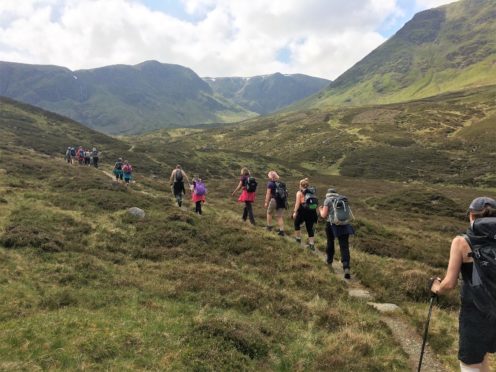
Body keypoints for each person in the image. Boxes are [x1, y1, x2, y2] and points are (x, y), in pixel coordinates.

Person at [431, 197, 496, 371]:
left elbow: (449, 284)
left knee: (471, 361)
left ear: (471, 216)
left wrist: (437, 288)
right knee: (482, 358)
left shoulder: (462, 242)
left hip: (475, 312)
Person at [319, 188, 355, 279]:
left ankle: (329, 261)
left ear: (328, 194)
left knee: (330, 242)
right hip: (344, 225)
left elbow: (323, 215)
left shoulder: (327, 200)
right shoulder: (342, 199)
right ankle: (346, 267)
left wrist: (320, 209)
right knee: (344, 246)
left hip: (331, 224)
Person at [292, 178, 318, 250]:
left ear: (300, 185)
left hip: (302, 211)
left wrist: (295, 212)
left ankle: (298, 239)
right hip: (312, 211)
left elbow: (297, 204)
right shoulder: (312, 192)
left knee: (296, 223)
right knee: (310, 228)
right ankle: (311, 245)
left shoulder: (299, 193)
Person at [264, 170, 286, 236]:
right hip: (282, 201)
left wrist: (266, 202)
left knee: (269, 212)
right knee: (279, 216)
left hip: (274, 200)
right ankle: (281, 231)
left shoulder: (270, 183)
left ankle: (269, 227)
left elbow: (268, 194)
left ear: (271, 176)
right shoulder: (282, 183)